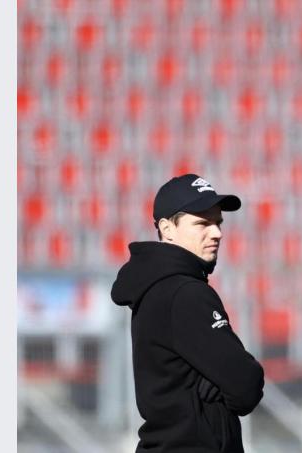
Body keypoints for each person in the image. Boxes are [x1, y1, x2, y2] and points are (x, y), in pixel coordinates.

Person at [111, 173, 264, 453]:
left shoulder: (156, 287)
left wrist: (217, 382)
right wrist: (220, 385)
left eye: (218, 223)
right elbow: (246, 386)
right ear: (167, 228)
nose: (216, 233)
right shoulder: (185, 293)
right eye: (202, 223)